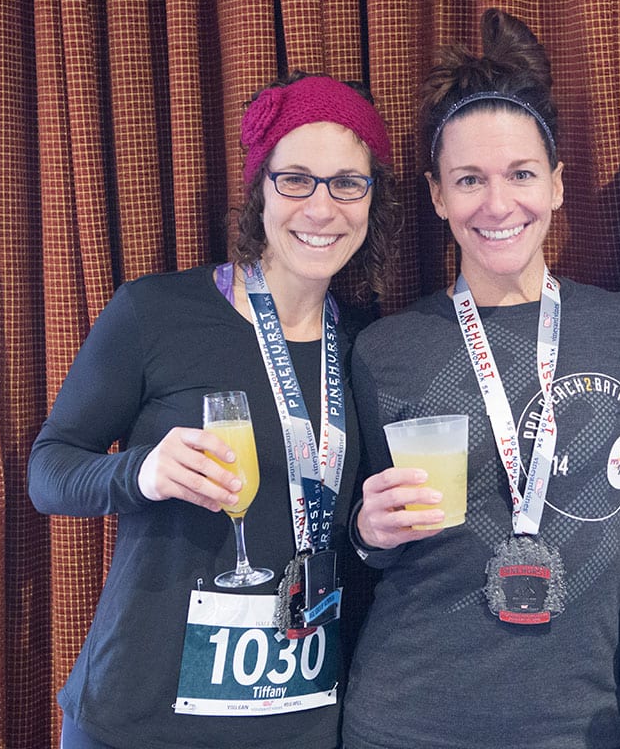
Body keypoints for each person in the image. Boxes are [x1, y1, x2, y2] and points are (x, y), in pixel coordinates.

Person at [28, 72, 398, 749]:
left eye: (347, 181)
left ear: (372, 200)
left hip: (301, 719)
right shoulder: (155, 312)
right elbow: (48, 473)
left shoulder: (373, 348)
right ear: (259, 190)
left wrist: (369, 537)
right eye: (296, 179)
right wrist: (141, 474)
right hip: (138, 721)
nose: (322, 207)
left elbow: (347, 533)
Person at [341, 9, 620, 749]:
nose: (499, 204)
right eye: (469, 180)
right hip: (408, 719)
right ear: (438, 195)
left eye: (521, 174)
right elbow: (355, 546)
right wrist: (365, 531)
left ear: (558, 184)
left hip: (580, 721)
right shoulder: (386, 347)